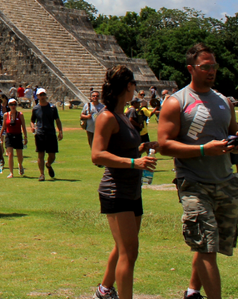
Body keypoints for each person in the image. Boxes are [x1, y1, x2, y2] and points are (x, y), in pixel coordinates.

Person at [157, 43, 238, 299]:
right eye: (206, 67)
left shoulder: (225, 101)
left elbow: (233, 133)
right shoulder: (176, 102)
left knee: (210, 246)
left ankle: (192, 292)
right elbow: (164, 145)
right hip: (194, 183)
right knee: (205, 247)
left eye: (214, 66)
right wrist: (204, 149)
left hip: (226, 181)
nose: (212, 71)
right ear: (191, 68)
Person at [91, 65, 157, 299]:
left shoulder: (124, 115)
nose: (135, 89)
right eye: (134, 85)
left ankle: (104, 289)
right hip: (115, 191)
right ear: (128, 86)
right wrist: (134, 163)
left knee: (124, 248)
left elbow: (123, 148)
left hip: (132, 191)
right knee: (129, 251)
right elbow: (97, 155)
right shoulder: (107, 117)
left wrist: (142, 148)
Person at [31, 88, 63, 181]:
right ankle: (42, 174)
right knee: (40, 155)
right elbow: (32, 121)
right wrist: (33, 127)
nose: (42, 96)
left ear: (46, 95)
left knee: (52, 156)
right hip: (40, 134)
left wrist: (60, 131)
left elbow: (57, 120)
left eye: (43, 94)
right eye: (40, 95)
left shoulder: (52, 108)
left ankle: (48, 164)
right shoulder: (35, 108)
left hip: (51, 133)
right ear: (37, 96)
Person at [2, 98, 28, 177]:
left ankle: (20, 164)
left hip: (18, 135)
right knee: (10, 154)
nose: (13, 106)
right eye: (11, 104)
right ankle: (11, 172)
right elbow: (4, 126)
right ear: (9, 105)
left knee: (19, 155)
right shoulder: (6, 115)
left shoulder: (20, 114)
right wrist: (0, 136)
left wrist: (25, 137)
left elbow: (23, 126)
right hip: (9, 135)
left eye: (14, 104)